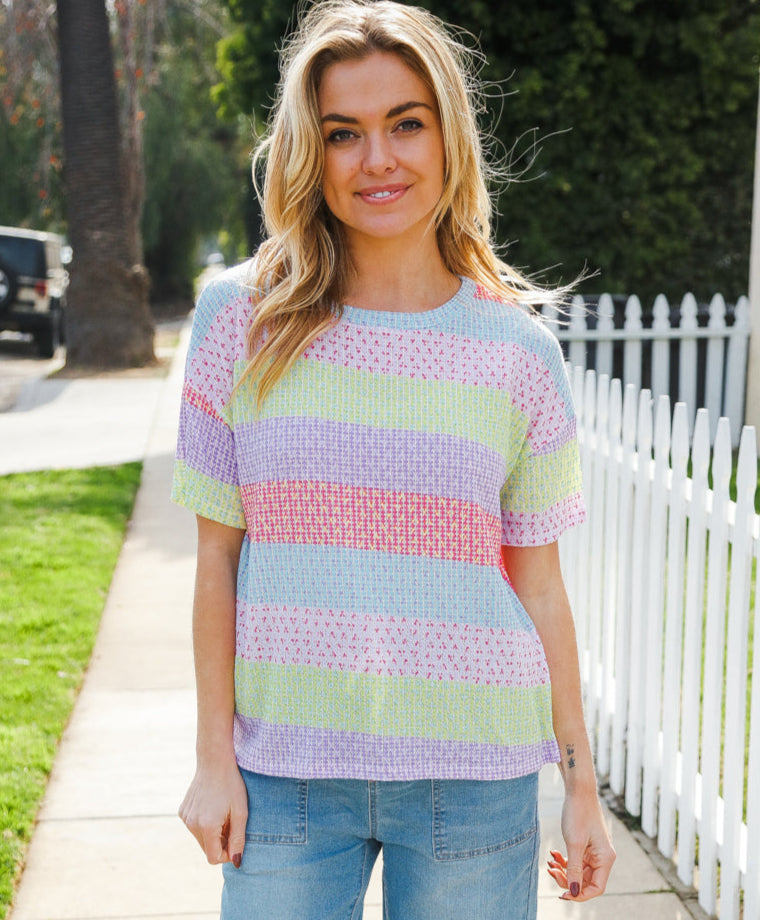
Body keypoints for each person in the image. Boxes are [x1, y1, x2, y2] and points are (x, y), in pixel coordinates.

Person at [171, 1, 616, 917]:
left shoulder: (518, 353)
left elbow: (539, 585)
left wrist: (581, 787)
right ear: (311, 153)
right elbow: (217, 559)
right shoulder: (238, 322)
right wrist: (214, 758)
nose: (377, 158)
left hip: (475, 777)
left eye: (406, 124)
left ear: (448, 138)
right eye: (344, 133)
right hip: (285, 775)